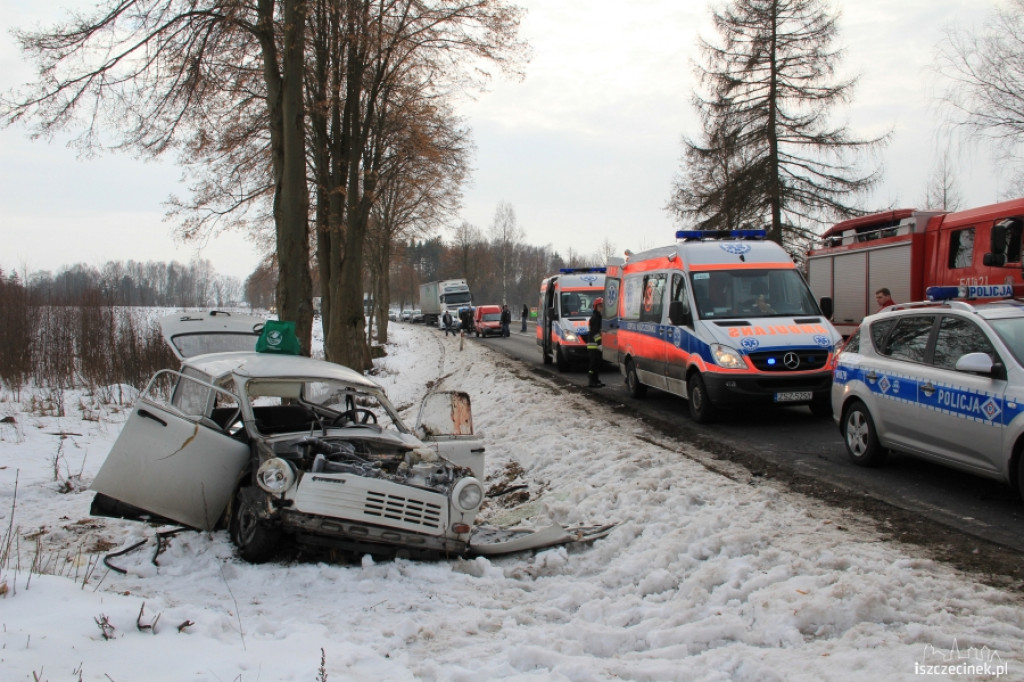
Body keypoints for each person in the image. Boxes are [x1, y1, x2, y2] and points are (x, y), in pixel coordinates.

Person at [588, 297, 605, 388]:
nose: (601, 308)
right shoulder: (595, 318)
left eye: (602, 306)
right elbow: (595, 333)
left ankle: (596, 379)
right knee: (593, 364)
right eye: (600, 306)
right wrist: (599, 343)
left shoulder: (599, 317)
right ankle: (591, 380)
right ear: (596, 307)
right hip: (593, 345)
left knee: (597, 364)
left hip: (597, 345)